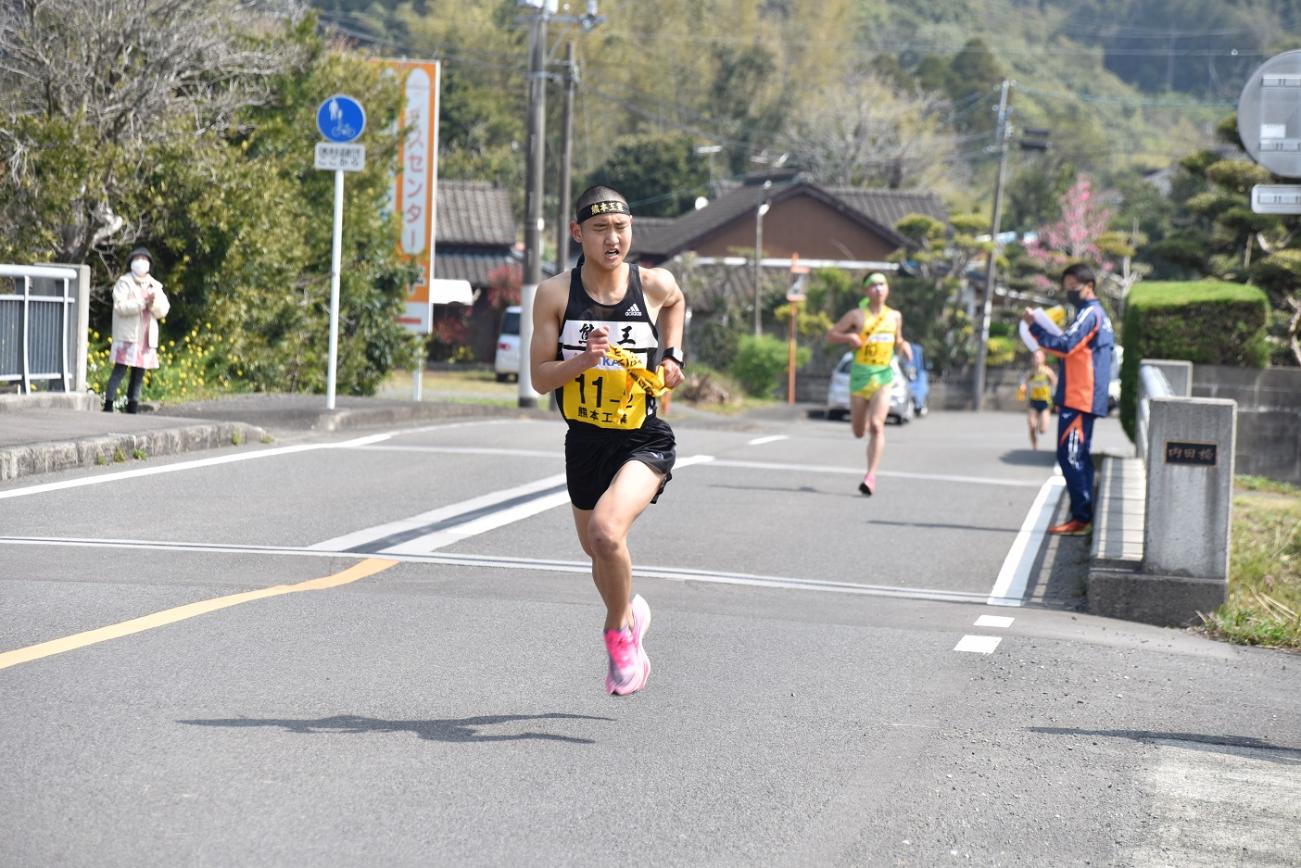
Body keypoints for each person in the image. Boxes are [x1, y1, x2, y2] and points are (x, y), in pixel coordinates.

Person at [529, 185, 686, 696]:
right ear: (578, 234)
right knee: (598, 551)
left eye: (620, 228)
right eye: (600, 230)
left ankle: (619, 636)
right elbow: (540, 378)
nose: (612, 239)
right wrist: (582, 360)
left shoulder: (653, 284)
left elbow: (678, 302)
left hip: (642, 438)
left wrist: (673, 356)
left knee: (605, 531)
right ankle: (631, 616)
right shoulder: (556, 294)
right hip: (585, 441)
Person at [1023, 263, 1114, 535]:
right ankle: (1082, 516)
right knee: (1079, 455)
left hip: (1080, 395)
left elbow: (1065, 345)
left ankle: (1081, 518)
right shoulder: (1096, 314)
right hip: (1082, 393)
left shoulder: (1090, 313)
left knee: (1070, 455)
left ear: (1089, 286)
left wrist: (1035, 329)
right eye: (1067, 287)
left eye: (1074, 287)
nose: (1070, 292)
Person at [826, 271, 913, 496]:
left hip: (883, 376)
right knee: (858, 431)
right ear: (866, 291)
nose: (878, 289)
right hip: (860, 377)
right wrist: (848, 338)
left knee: (877, 426)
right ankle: (862, 420)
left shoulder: (894, 316)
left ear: (888, 289)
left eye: (882, 284)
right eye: (873, 285)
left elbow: (898, 339)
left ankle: (870, 477)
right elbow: (831, 334)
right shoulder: (856, 315)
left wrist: (904, 346)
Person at [104, 247, 169, 413]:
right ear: (131, 262)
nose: (141, 262)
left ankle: (132, 407)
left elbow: (163, 309)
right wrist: (141, 303)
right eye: (137, 258)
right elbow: (120, 306)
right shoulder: (124, 282)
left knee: (139, 374)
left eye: (144, 259)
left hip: (147, 338)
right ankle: (108, 404)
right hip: (128, 336)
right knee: (119, 371)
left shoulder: (155, 285)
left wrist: (152, 303)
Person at [1020, 348, 1057, 450]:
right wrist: (1023, 388)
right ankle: (1034, 446)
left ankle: (1040, 426)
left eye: (1038, 357)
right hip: (1033, 401)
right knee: (1031, 425)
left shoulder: (1047, 372)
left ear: (1043, 359)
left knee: (1043, 429)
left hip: (1045, 402)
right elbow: (1023, 382)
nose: (1035, 359)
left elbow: (1055, 383)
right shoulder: (1031, 373)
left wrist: (1055, 395)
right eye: (1034, 357)